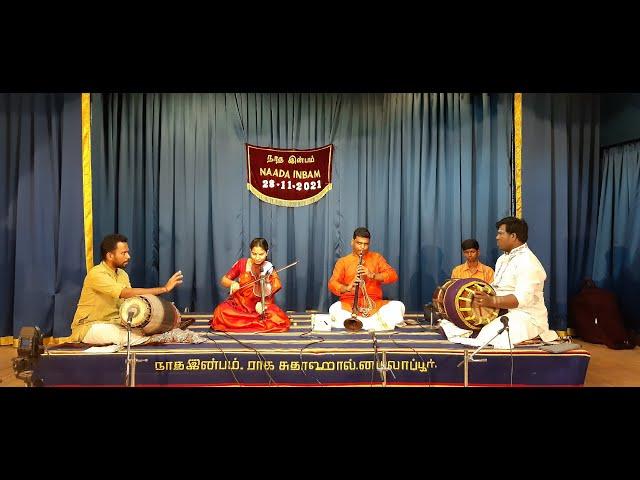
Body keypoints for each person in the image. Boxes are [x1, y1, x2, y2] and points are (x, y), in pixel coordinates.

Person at [70, 234, 205, 346]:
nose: (128, 256)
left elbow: (130, 300)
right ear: (110, 255)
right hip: (91, 327)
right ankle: (160, 339)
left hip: (117, 323)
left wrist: (162, 313)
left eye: (127, 252)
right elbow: (124, 293)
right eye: (123, 253)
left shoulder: (122, 274)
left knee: (142, 329)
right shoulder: (96, 274)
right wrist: (164, 289)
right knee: (117, 335)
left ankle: (165, 332)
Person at [462, 217, 559, 349]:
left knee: (491, 337)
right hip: (502, 311)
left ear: (513, 236)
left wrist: (492, 301)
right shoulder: (502, 259)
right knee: (462, 326)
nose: (497, 237)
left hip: (527, 317)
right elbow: (496, 287)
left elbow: (521, 299)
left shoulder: (528, 262)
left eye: (500, 233)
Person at [328, 227, 405, 331]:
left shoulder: (377, 258)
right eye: (359, 243)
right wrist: (347, 287)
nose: (363, 247)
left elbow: (393, 275)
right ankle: (375, 324)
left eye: (366, 244)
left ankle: (359, 324)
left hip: (374, 306)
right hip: (349, 305)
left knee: (398, 306)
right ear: (352, 242)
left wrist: (373, 275)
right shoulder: (343, 262)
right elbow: (332, 283)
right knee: (334, 309)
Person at [210, 237, 290, 332]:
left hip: (259, 305)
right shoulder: (242, 263)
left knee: (277, 317)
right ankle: (254, 323)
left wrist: (264, 303)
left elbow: (276, 285)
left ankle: (245, 322)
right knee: (220, 311)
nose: (257, 257)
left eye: (261, 254)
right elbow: (224, 280)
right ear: (250, 251)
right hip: (240, 304)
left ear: (267, 253)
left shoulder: (268, 267)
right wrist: (232, 283)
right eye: (254, 254)